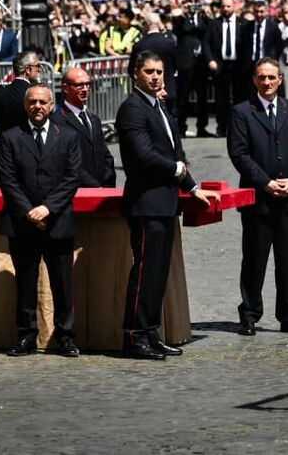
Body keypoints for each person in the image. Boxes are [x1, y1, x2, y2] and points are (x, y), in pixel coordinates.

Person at [116, 51, 216, 360]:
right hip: (146, 203)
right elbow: (144, 154)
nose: (156, 76)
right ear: (136, 74)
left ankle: (150, 331)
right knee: (145, 272)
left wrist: (192, 187)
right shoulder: (132, 109)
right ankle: (134, 335)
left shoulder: (158, 106)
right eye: (149, 71)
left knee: (158, 274)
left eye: (159, 71)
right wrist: (178, 171)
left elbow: (175, 152)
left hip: (165, 203)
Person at [227, 58, 288, 336]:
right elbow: (239, 154)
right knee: (254, 259)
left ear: (280, 80)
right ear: (254, 80)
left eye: (272, 78)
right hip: (258, 199)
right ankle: (249, 314)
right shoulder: (242, 112)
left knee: (287, 259)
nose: (267, 83)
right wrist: (264, 182)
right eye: (262, 78)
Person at [0, 84, 82, 357]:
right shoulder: (10, 137)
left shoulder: (68, 137)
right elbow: (7, 180)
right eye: (32, 102)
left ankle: (66, 336)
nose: (37, 107)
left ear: (52, 104)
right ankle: (26, 336)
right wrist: (29, 212)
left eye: (43, 102)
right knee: (25, 283)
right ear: (25, 106)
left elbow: (72, 178)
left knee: (63, 285)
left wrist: (47, 209)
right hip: (22, 223)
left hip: (57, 221)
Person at [51, 67, 116, 187]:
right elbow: (67, 161)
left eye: (87, 84)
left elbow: (105, 153)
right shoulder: (58, 121)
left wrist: (108, 179)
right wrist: (93, 185)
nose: (85, 89)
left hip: (103, 187)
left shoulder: (94, 119)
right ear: (66, 88)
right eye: (80, 85)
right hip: (79, 190)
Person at [207, 0, 247, 136]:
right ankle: (222, 127)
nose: (225, 9)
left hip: (238, 66)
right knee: (221, 99)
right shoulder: (214, 23)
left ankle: (238, 128)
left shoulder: (243, 23)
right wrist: (210, 60)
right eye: (223, 6)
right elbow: (206, 43)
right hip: (220, 65)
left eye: (228, 6)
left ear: (234, 6)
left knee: (239, 98)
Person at [173, 3, 214, 137]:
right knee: (183, 97)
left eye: (195, 5)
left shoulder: (203, 19)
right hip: (186, 63)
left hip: (201, 64)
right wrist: (184, 15)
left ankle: (202, 127)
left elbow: (210, 30)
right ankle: (181, 127)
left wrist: (206, 15)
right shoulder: (181, 20)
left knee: (202, 98)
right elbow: (181, 29)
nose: (193, 8)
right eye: (190, 5)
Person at [130, 12, 179, 113]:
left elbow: (132, 70)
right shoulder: (169, 43)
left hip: (146, 93)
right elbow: (175, 65)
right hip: (168, 89)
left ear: (147, 24)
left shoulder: (139, 45)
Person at [0, 51, 41, 135]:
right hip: (30, 144)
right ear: (28, 69)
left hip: (6, 144)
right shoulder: (36, 95)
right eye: (37, 66)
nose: (39, 70)